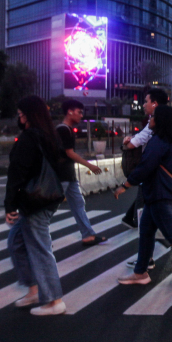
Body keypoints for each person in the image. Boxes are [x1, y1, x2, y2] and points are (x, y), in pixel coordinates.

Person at [114, 105, 172, 286]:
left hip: (161, 195)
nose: (149, 119)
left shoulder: (158, 142)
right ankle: (140, 272)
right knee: (146, 232)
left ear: (160, 120)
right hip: (161, 194)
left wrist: (125, 185)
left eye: (152, 116)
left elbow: (145, 167)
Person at [5, 96, 66, 316]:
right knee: (16, 242)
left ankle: (54, 301)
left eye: (21, 114)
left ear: (28, 115)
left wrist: (9, 205)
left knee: (40, 248)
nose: (19, 118)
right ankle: (34, 289)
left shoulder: (30, 138)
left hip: (35, 200)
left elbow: (17, 174)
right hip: (46, 197)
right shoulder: (49, 135)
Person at [55, 99, 108, 246]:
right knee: (49, 208)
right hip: (61, 175)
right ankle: (32, 235)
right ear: (69, 112)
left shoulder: (67, 129)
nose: (81, 116)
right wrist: (89, 166)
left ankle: (87, 234)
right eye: (79, 112)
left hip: (68, 175)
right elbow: (69, 153)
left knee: (78, 203)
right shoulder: (63, 129)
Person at [121, 88, 168, 229]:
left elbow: (135, 142)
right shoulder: (160, 121)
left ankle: (137, 221)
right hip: (157, 170)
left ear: (154, 104)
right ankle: (136, 220)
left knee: (147, 196)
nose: (143, 105)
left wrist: (127, 141)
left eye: (146, 101)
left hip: (153, 169)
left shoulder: (156, 122)